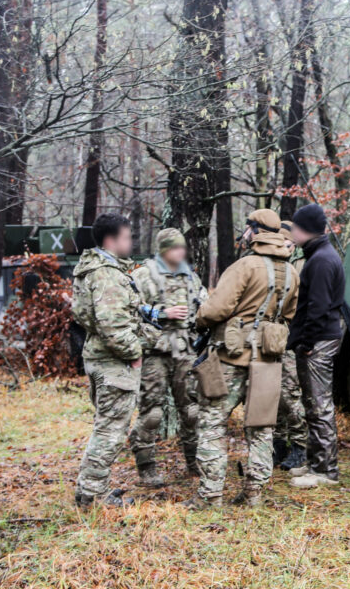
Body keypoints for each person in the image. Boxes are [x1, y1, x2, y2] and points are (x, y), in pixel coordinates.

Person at [191, 209, 299, 507]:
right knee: (262, 427)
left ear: (254, 230)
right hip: (268, 358)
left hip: (230, 358)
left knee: (212, 421)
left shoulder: (244, 266)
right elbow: (288, 315)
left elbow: (216, 310)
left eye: (247, 228)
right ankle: (254, 495)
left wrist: (199, 319)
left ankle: (210, 495)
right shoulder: (291, 272)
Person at [71, 213, 146, 508]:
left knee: (106, 427)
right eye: (127, 237)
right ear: (111, 240)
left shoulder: (97, 268)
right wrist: (135, 353)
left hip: (100, 357)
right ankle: (93, 497)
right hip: (113, 362)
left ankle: (88, 490)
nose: (131, 242)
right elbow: (113, 326)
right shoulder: (107, 274)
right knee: (111, 432)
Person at [127, 228, 207, 486]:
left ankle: (194, 463)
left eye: (181, 247)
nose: (180, 252)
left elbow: (204, 306)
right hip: (154, 353)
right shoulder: (141, 276)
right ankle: (147, 467)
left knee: (192, 411)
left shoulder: (190, 278)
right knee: (151, 414)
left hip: (185, 351)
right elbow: (127, 309)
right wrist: (162, 313)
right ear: (162, 250)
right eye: (174, 248)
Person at [285, 204, 346, 489]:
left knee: (319, 407)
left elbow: (318, 307)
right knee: (313, 405)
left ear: (303, 229)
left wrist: (307, 343)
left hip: (318, 342)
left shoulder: (321, 260)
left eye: (295, 227)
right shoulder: (320, 255)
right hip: (319, 339)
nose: (292, 232)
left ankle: (325, 471)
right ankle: (315, 462)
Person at [274, 221, 308, 471]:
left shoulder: (300, 264)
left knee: (289, 394)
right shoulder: (269, 261)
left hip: (290, 338)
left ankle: (300, 445)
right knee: (269, 394)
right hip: (269, 338)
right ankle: (278, 445)